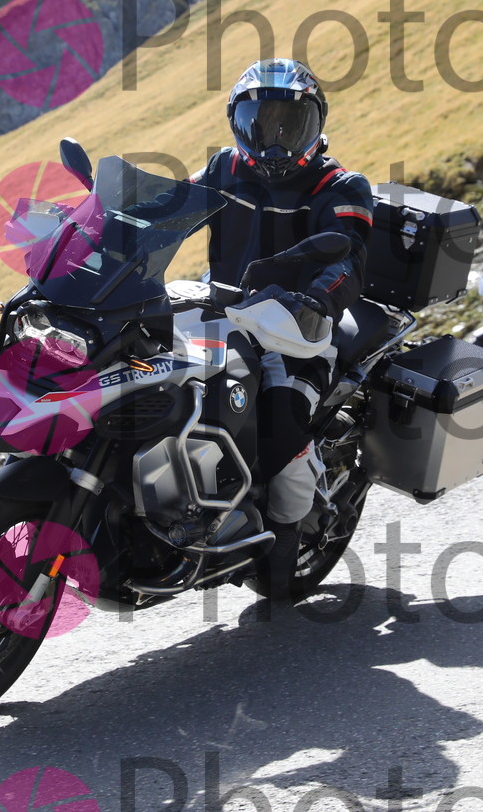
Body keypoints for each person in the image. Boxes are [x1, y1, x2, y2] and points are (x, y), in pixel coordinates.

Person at [189, 58, 374, 603]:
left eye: (289, 125)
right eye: (260, 123)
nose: (274, 140)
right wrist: (113, 223)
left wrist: (317, 297)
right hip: (221, 316)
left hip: (296, 332)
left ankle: (287, 539)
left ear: (315, 123)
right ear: (238, 123)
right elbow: (170, 207)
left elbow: (349, 258)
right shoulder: (225, 169)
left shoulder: (340, 186)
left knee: (280, 427)